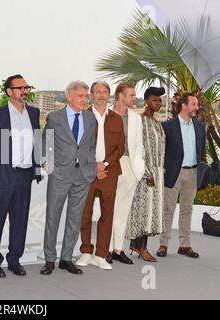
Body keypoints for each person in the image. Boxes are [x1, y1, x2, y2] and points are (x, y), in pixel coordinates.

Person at [0, 74, 41, 278]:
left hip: (24, 176)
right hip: (1, 176)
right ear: (9, 92)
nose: (25, 91)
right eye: (20, 88)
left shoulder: (34, 113)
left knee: (20, 220)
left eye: (27, 87)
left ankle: (14, 260)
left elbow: (38, 141)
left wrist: (38, 166)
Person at [40, 80, 97, 276]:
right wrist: (48, 165)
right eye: (81, 96)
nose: (84, 99)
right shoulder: (55, 117)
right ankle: (49, 259)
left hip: (83, 175)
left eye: (86, 96)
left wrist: (90, 164)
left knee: (75, 218)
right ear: (69, 96)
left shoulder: (90, 118)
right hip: (60, 173)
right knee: (53, 217)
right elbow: (46, 141)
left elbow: (90, 145)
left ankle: (66, 258)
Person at [77, 81, 124, 271]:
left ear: (109, 95)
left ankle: (101, 254)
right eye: (98, 92)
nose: (101, 95)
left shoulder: (116, 119)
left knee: (107, 214)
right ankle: (86, 251)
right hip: (87, 172)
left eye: (105, 92)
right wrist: (93, 166)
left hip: (109, 172)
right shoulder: (82, 117)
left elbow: (119, 148)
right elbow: (78, 145)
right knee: (85, 212)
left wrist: (103, 165)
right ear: (91, 94)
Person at [156, 92, 206, 259]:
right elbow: (160, 152)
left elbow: (202, 151)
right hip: (173, 173)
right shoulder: (167, 126)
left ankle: (185, 245)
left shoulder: (199, 126)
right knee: (168, 209)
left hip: (192, 173)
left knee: (187, 209)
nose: (197, 108)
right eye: (194, 104)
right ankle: (163, 244)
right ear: (184, 105)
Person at [126, 87, 166, 262]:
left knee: (151, 211)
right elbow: (137, 150)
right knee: (143, 210)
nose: (159, 103)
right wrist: (147, 173)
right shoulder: (140, 121)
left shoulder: (157, 122)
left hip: (158, 173)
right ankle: (140, 247)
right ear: (147, 101)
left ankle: (139, 245)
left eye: (160, 100)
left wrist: (158, 173)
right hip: (145, 174)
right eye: (155, 100)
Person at [107, 82, 145, 265]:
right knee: (108, 209)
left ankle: (118, 249)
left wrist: (140, 167)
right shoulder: (105, 114)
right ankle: (104, 249)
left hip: (130, 166)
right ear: (120, 95)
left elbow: (139, 145)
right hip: (110, 165)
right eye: (131, 95)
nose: (134, 98)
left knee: (123, 210)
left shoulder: (136, 118)